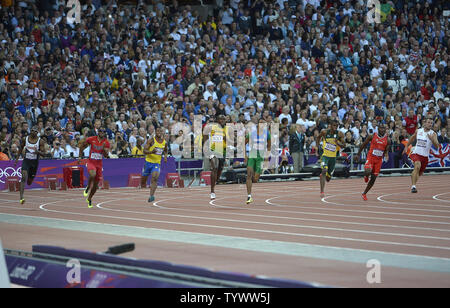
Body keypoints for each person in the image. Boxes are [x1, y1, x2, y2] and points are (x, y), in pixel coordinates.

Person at [403, 117, 441, 193]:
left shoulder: (433, 134)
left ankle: (414, 180)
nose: (430, 124)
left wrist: (432, 139)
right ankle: (413, 186)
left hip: (425, 157)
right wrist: (407, 146)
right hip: (416, 153)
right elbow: (412, 138)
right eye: (428, 122)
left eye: (431, 123)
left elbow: (437, 146)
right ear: (425, 123)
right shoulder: (419, 131)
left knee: (419, 173)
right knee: (417, 166)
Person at [354, 124, 390, 200]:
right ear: (378, 129)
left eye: (384, 128)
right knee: (368, 171)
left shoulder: (388, 139)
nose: (382, 130)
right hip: (371, 157)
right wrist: (358, 154)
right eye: (381, 128)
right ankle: (366, 176)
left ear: (385, 129)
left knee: (373, 178)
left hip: (379, 160)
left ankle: (364, 193)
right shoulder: (372, 136)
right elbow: (363, 145)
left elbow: (386, 150)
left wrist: (386, 155)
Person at [78, 128, 110, 208]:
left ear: (105, 133)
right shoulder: (91, 139)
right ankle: (88, 187)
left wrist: (104, 150)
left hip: (99, 164)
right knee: (92, 174)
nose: (102, 133)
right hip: (91, 162)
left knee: (96, 185)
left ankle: (89, 198)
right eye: (100, 131)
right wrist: (79, 157)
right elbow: (82, 147)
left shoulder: (106, 142)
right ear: (98, 132)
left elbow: (106, 156)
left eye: (103, 132)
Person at [16, 126, 46, 204]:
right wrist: (16, 159)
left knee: (29, 182)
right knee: (23, 177)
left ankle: (30, 177)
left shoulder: (40, 141)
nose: (33, 132)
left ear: (37, 133)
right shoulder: (25, 139)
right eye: (32, 131)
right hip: (26, 161)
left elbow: (44, 154)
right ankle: (21, 197)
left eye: (35, 131)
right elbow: (20, 148)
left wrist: (38, 152)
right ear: (30, 131)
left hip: (34, 163)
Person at [316, 120, 346, 198]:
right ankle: (322, 191)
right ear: (330, 125)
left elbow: (344, 145)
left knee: (328, 178)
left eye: (336, 126)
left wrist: (337, 143)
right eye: (334, 125)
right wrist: (317, 148)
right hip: (325, 156)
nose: (335, 127)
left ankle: (326, 175)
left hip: (333, 158)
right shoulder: (324, 132)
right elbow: (318, 137)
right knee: (324, 170)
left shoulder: (340, 134)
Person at [245, 117, 271, 204]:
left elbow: (269, 146)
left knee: (255, 179)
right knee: (249, 175)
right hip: (252, 156)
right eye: (260, 123)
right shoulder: (251, 133)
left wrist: (267, 156)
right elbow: (243, 143)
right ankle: (249, 196)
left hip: (260, 158)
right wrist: (245, 156)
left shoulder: (267, 134)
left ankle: (253, 178)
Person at [203, 115, 228, 200]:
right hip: (212, 150)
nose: (222, 120)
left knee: (219, 172)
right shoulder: (211, 127)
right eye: (220, 118)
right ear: (217, 120)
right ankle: (212, 191)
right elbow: (205, 136)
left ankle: (215, 181)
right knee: (214, 167)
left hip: (222, 151)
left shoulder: (226, 129)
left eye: (223, 119)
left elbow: (228, 140)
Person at [141, 127, 168, 202]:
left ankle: (151, 195)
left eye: (160, 131)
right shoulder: (151, 140)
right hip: (148, 162)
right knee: (143, 182)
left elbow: (166, 150)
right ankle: (144, 182)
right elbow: (144, 151)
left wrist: (165, 157)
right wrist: (151, 152)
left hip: (156, 163)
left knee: (155, 177)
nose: (159, 132)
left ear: (162, 133)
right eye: (158, 131)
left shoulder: (164, 142)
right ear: (155, 132)